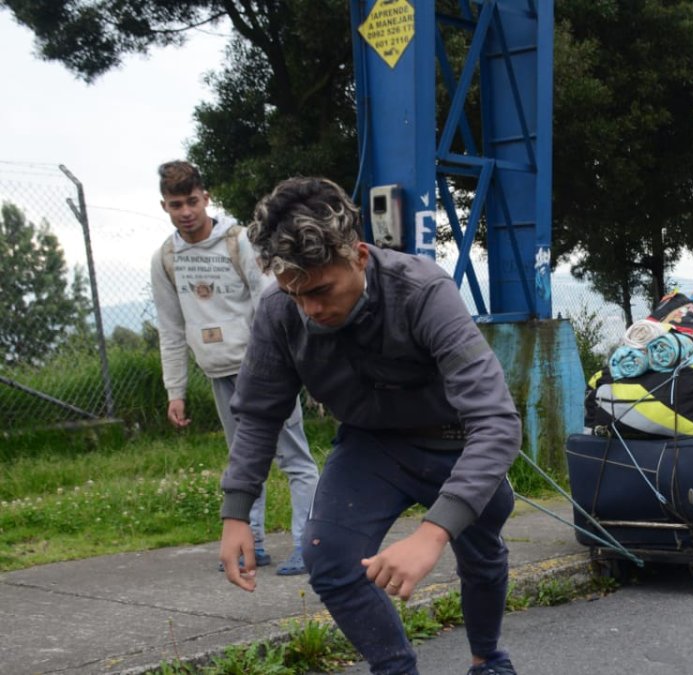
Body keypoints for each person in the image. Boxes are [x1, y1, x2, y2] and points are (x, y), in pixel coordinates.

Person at [218, 177, 522, 675]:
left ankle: (487, 658)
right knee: (327, 557)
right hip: (372, 445)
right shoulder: (279, 313)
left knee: (481, 555)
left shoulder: (423, 291)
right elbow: (257, 414)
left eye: (321, 291)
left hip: (456, 444)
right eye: (296, 295)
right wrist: (236, 512)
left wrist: (432, 533)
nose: (311, 310)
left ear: (358, 256)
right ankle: (395, 669)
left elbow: (496, 421)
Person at [150, 160, 319, 576]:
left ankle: (308, 544)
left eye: (192, 201)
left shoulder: (238, 240)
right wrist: (175, 390)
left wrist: (285, 361)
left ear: (205, 198)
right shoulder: (166, 257)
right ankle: (251, 544)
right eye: (176, 204)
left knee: (294, 458)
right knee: (243, 460)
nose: (186, 212)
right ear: (164, 206)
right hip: (218, 371)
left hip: (263, 367)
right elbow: (170, 327)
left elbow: (269, 300)